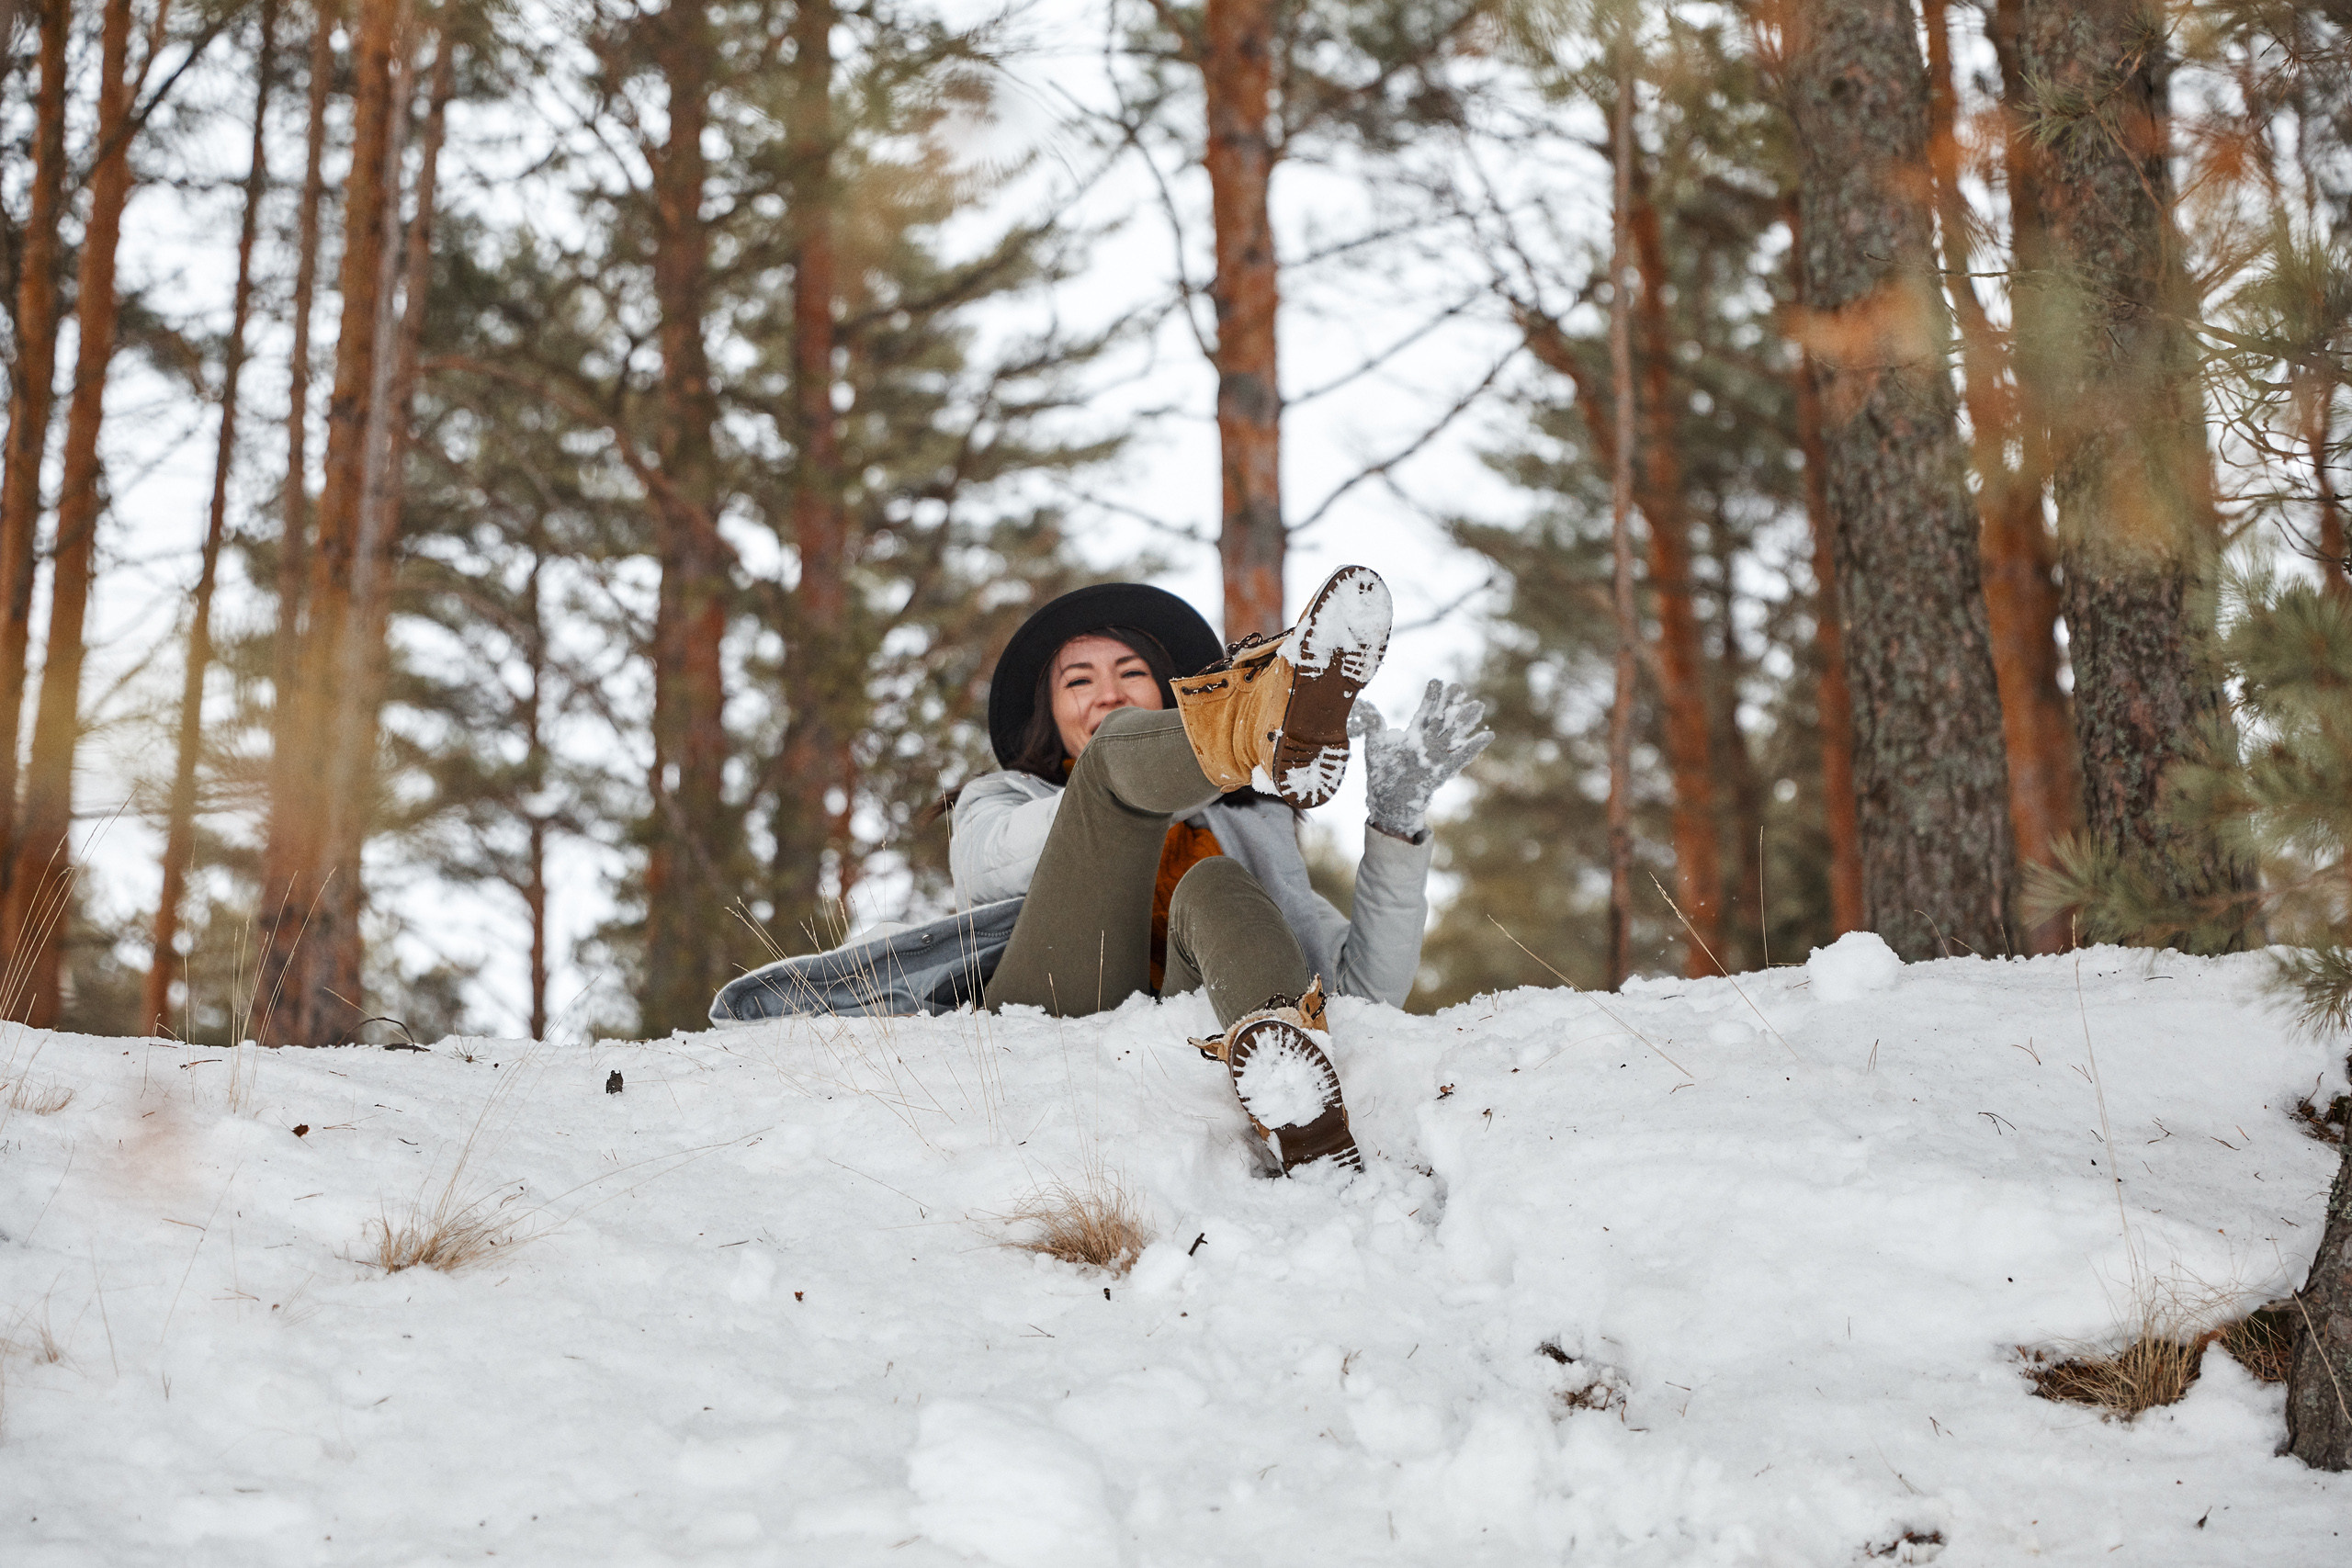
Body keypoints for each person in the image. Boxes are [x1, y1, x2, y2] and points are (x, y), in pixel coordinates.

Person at [709, 567, 1491, 1177]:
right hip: (1059, 999)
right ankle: (1260, 717)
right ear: (1049, 715)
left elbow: (1365, 991)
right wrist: (1125, 775)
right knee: (1116, 760)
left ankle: (1301, 1117)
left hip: (1187, 1022)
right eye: (1078, 681)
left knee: (1214, 885)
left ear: (1172, 693)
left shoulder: (1249, 827)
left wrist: (1395, 822)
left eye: (1130, 675)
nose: (1107, 695)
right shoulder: (998, 802)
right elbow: (995, 867)